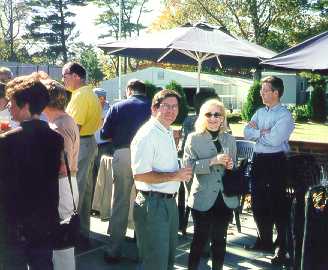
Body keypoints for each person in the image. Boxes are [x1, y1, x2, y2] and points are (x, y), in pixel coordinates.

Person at [0, 74, 64, 269]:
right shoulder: (55, 138)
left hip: (14, 222)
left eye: (12, 102)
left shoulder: (8, 141)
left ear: (25, 105)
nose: (9, 106)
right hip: (45, 218)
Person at [131, 89, 193, 270]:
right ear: (154, 108)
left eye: (175, 107)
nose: (171, 111)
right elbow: (140, 174)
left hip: (168, 204)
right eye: (166, 106)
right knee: (154, 262)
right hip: (152, 205)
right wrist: (176, 175)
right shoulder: (148, 134)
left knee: (166, 261)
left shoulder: (165, 131)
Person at [244, 76, 294, 265]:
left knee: (277, 204)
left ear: (276, 92)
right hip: (258, 160)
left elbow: (274, 141)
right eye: (261, 90)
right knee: (258, 201)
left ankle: (281, 248)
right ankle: (263, 240)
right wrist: (262, 132)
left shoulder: (284, 116)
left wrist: (259, 134)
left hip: (276, 162)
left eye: (265, 90)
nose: (261, 93)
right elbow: (246, 132)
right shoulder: (258, 112)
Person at [183, 99, 238, 270]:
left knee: (220, 240)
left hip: (224, 197)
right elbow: (188, 168)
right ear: (202, 117)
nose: (213, 118)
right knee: (199, 240)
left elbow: (234, 164)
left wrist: (231, 165)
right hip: (203, 197)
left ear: (223, 118)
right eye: (209, 114)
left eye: (217, 114)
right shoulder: (193, 139)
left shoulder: (229, 139)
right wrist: (212, 161)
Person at [101, 79, 151, 263]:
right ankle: (144, 250)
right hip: (148, 157)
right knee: (147, 202)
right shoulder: (153, 106)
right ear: (144, 92)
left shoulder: (118, 106)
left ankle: (113, 250)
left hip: (123, 152)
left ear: (129, 90)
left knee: (120, 201)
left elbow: (105, 133)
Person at [63, 62, 102, 244]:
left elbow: (74, 129)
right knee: (84, 191)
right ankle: (82, 233)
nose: (63, 79)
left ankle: (71, 235)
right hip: (88, 142)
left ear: (76, 76)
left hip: (80, 144)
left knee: (74, 191)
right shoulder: (89, 93)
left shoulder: (80, 95)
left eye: (65, 75)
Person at [43, 79, 80, 270]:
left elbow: (62, 165)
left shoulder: (59, 125)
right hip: (67, 183)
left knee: (62, 245)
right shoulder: (63, 120)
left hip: (62, 184)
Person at [92, 87, 113, 206]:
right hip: (93, 145)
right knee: (92, 176)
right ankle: (93, 204)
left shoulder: (109, 111)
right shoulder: (92, 109)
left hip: (105, 146)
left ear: (102, 98)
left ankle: (102, 205)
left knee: (103, 176)